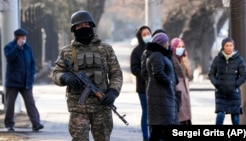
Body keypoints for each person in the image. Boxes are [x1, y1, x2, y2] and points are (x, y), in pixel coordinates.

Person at [52, 10, 123, 141]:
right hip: (78, 107)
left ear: (91, 26)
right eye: (79, 26)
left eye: (86, 24)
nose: (83, 28)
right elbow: (56, 73)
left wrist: (113, 91)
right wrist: (65, 78)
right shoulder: (66, 51)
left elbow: (116, 73)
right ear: (74, 29)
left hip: (102, 105)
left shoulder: (105, 49)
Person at [4, 28, 44, 132]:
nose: (24, 39)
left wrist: (31, 74)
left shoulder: (28, 48)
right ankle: (9, 125)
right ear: (17, 37)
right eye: (22, 37)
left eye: (25, 37)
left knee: (30, 102)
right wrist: (17, 47)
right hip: (13, 81)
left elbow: (32, 62)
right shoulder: (9, 47)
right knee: (10, 104)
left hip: (26, 81)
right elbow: (9, 58)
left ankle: (36, 123)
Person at [141, 33, 179, 141]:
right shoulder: (157, 55)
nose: (168, 43)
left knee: (160, 127)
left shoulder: (160, 54)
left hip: (163, 96)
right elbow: (157, 73)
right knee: (158, 128)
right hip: (160, 97)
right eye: (166, 41)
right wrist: (169, 81)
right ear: (161, 43)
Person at [208, 37, 246, 125]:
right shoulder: (217, 59)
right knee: (220, 116)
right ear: (223, 47)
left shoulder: (238, 59)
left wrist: (235, 84)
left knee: (235, 119)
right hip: (221, 94)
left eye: (231, 45)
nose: (229, 47)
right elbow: (211, 74)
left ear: (234, 47)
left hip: (234, 94)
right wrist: (217, 84)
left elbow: (244, 75)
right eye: (227, 45)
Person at [130, 25, 151, 141]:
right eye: (144, 34)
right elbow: (134, 68)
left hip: (155, 87)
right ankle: (145, 137)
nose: (147, 36)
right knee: (146, 112)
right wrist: (145, 75)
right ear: (140, 36)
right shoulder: (136, 51)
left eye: (148, 33)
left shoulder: (154, 48)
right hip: (143, 87)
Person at [170, 37, 193, 125]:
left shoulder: (184, 59)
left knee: (186, 115)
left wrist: (186, 60)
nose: (181, 49)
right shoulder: (171, 59)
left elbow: (189, 75)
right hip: (177, 90)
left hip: (185, 90)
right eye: (178, 47)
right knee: (180, 114)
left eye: (182, 47)